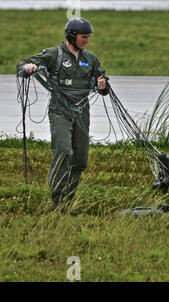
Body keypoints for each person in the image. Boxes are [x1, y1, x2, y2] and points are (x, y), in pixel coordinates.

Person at [16, 17, 109, 209]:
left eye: (88, 37)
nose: (87, 41)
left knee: (80, 158)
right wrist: (28, 68)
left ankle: (69, 198)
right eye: (83, 37)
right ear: (71, 36)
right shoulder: (54, 54)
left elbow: (103, 84)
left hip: (82, 112)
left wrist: (102, 86)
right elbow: (22, 65)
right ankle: (57, 200)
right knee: (64, 151)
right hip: (60, 112)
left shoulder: (90, 58)